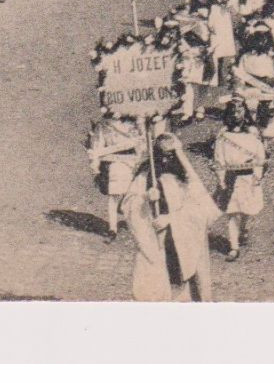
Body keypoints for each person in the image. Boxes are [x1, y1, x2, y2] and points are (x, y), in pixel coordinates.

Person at [121, 132, 220, 301]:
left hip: (182, 239)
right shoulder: (145, 175)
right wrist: (145, 198)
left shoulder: (185, 179)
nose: (166, 160)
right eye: (162, 154)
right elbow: (128, 205)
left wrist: (170, 219)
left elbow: (201, 209)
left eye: (171, 154)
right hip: (155, 240)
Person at [212, 99, 267, 262]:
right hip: (231, 177)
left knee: (246, 210)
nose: (237, 115)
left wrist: (258, 174)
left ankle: (242, 228)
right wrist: (220, 178)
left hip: (248, 177)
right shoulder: (223, 135)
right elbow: (219, 158)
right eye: (233, 112)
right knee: (232, 212)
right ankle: (234, 246)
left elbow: (259, 155)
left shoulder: (252, 133)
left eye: (240, 111)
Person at [87, 113, 144, 242]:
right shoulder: (105, 125)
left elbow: (141, 145)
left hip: (130, 163)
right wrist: (95, 167)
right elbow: (97, 147)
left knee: (126, 196)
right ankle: (113, 228)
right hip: (116, 163)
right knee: (116, 196)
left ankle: (122, 225)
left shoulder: (132, 123)